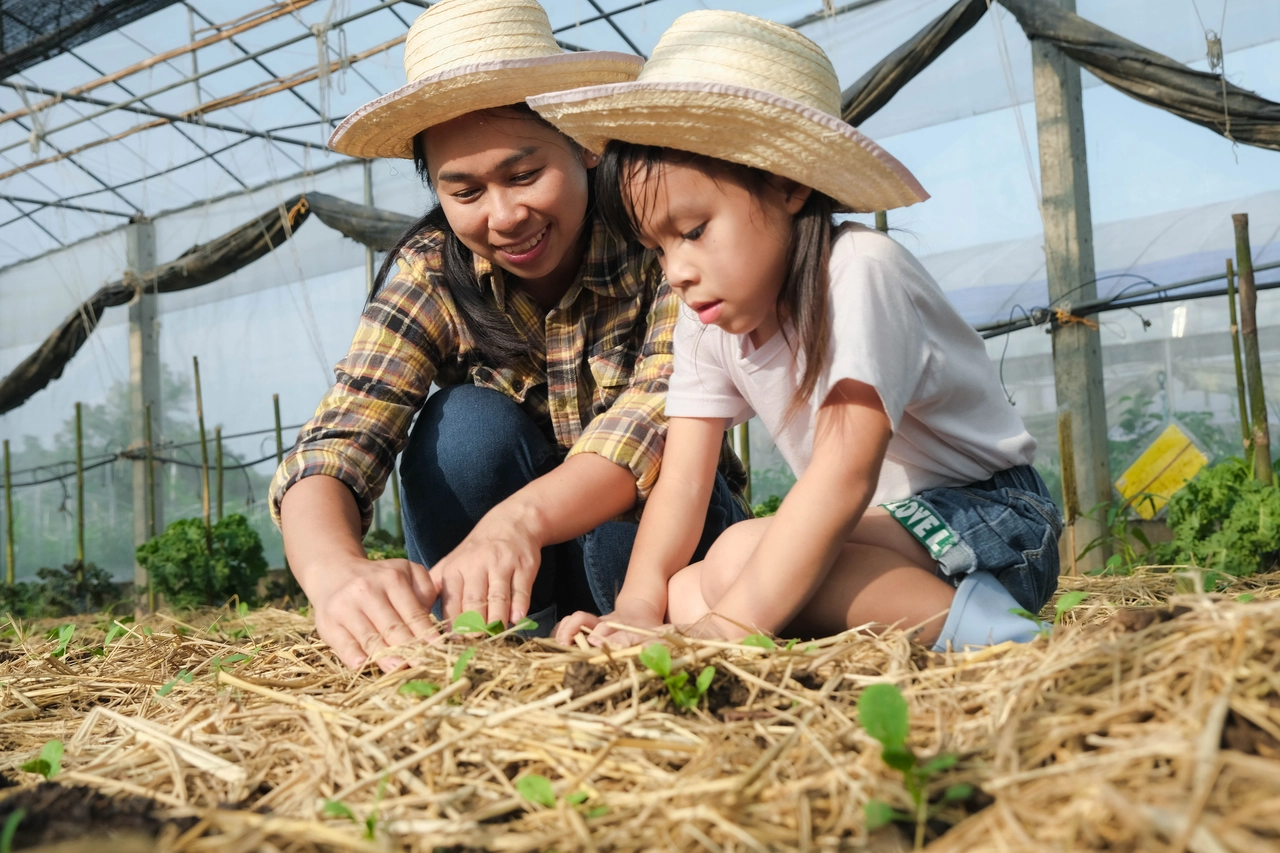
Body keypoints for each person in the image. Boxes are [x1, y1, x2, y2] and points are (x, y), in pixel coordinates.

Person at [536, 10, 1061, 651]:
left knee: (737, 559)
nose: (676, 271)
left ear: (786, 185)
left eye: (694, 231)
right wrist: (638, 608)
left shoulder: (859, 271)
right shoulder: (706, 320)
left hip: (992, 521)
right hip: (887, 527)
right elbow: (683, 482)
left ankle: (1006, 639)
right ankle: (927, 631)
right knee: (689, 590)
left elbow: (843, 473)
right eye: (658, 248)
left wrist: (722, 631)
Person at [271, 0, 749, 672]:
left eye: (525, 175)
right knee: (464, 429)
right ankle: (496, 647)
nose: (504, 216)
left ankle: (629, 645)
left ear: (584, 143)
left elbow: (656, 420)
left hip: (659, 560)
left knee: (623, 528)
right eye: (465, 192)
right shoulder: (433, 272)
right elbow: (342, 437)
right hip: (507, 581)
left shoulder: (660, 238)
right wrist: (335, 574)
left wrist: (517, 521)